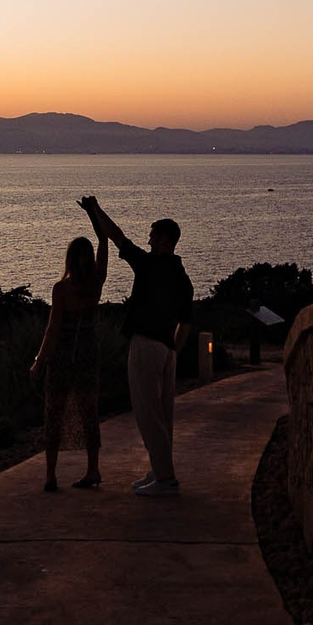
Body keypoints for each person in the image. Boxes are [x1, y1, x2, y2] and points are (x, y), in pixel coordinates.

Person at [78, 194, 191, 496]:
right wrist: (174, 351)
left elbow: (117, 237)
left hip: (146, 346)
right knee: (163, 415)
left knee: (147, 414)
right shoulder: (182, 276)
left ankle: (166, 479)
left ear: (165, 240)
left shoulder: (150, 265)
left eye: (153, 237)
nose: (150, 241)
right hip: (167, 350)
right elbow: (187, 322)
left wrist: (97, 209)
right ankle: (159, 470)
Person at [28, 230, 110, 491]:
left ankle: (51, 475)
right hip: (87, 354)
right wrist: (97, 223)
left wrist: (39, 361)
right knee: (89, 413)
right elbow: (104, 249)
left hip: (63, 357)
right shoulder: (95, 284)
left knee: (54, 413)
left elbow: (52, 329)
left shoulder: (62, 289)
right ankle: (93, 469)